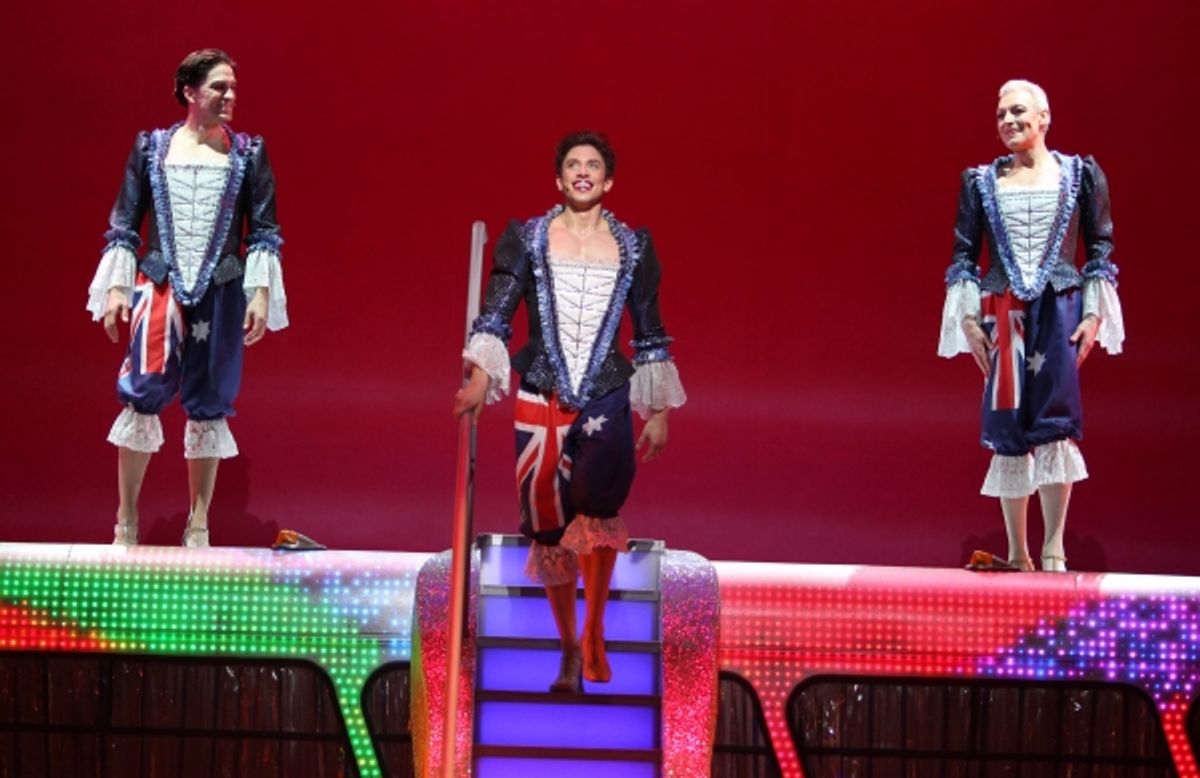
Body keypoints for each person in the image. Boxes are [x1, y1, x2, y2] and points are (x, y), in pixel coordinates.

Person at [454, 131, 686, 691]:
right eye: (573, 165)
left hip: (606, 391)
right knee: (549, 527)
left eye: (594, 165)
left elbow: (650, 330)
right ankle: (567, 648)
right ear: (559, 179)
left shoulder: (632, 247)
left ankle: (596, 630)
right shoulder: (529, 238)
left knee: (599, 507)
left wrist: (657, 410)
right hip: (540, 391)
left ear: (608, 181)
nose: (583, 172)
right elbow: (498, 309)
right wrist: (482, 378)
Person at [86, 48, 288, 547]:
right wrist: (115, 289)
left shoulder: (247, 154)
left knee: (210, 400)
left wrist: (259, 294)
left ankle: (198, 524)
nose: (230, 96)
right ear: (190, 91)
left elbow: (262, 231)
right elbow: (124, 224)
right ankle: (126, 521)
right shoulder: (153, 148)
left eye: (234, 88)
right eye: (220, 87)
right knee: (142, 391)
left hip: (220, 289)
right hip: (157, 286)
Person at [939, 79, 1124, 572]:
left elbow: (1099, 248)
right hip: (1004, 310)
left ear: (1044, 118)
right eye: (1000, 115)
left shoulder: (1079, 173)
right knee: (1008, 424)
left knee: (1054, 421)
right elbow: (963, 254)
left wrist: (1092, 313)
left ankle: (1054, 549)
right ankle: (1020, 554)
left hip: (1059, 304)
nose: (1008, 122)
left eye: (1018, 112)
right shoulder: (980, 181)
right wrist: (968, 322)